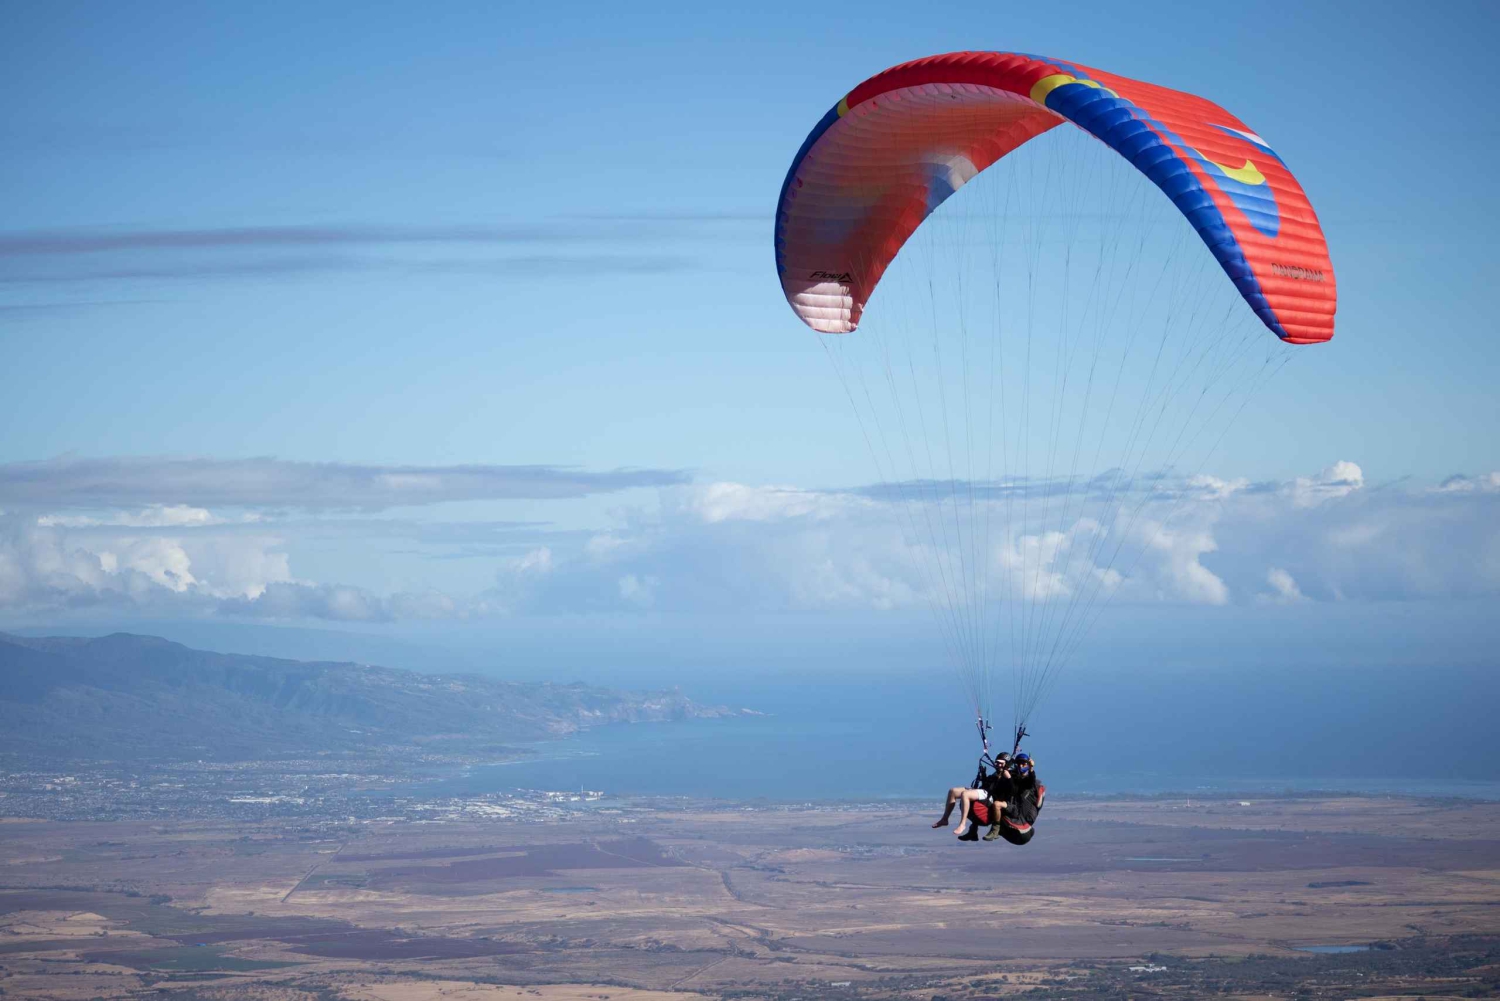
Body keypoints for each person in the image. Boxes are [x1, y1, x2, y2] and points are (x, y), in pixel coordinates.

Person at [933, 754, 1012, 839]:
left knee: (965, 794)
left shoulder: (1009, 775)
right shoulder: (996, 774)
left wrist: (1008, 778)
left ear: (1007, 764)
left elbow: (1011, 789)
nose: (998, 765)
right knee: (953, 791)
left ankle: (962, 824)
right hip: (984, 792)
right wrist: (983, 775)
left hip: (990, 797)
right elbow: (987, 785)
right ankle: (945, 819)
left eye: (1001, 763)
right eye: (997, 763)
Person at [983, 751, 1046, 844]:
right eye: (1019, 764)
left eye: (1023, 764)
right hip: (1014, 811)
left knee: (997, 805)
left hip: (1019, 815)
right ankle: (973, 830)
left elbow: (1029, 782)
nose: (1021, 766)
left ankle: (995, 830)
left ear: (1028, 765)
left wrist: (1031, 768)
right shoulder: (1015, 777)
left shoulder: (1028, 783)